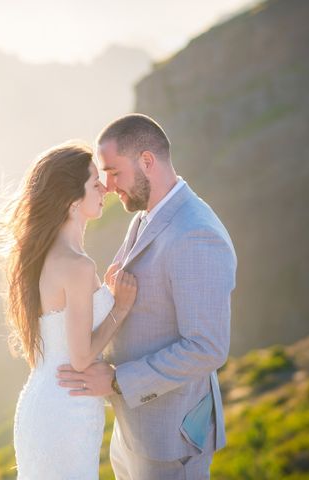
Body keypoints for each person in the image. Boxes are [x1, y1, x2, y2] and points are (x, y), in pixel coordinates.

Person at [56, 114, 237, 479]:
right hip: (133, 433)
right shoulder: (145, 215)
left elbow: (207, 347)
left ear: (147, 162)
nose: (107, 185)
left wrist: (118, 381)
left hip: (171, 442)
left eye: (114, 172)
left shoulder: (196, 235)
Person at [0, 140, 137, 478]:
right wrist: (119, 307)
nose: (105, 187)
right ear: (73, 200)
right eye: (94, 183)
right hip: (66, 412)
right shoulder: (76, 265)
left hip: (49, 402)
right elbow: (80, 358)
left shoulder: (49, 257)